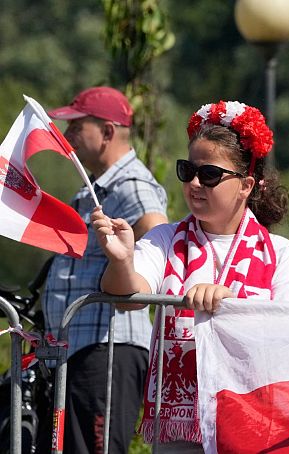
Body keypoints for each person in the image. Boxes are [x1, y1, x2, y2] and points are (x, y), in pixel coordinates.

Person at [91, 101, 289, 451]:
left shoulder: (281, 255)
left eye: (209, 174)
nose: (194, 183)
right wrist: (121, 261)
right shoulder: (164, 239)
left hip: (255, 425)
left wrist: (230, 307)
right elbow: (125, 298)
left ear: (246, 185)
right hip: (182, 433)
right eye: (187, 170)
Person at [42, 86, 168, 454]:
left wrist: (125, 259)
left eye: (77, 127)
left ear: (108, 132)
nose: (68, 137)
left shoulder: (130, 182)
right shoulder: (98, 188)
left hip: (108, 350)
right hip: (88, 349)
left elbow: (158, 227)